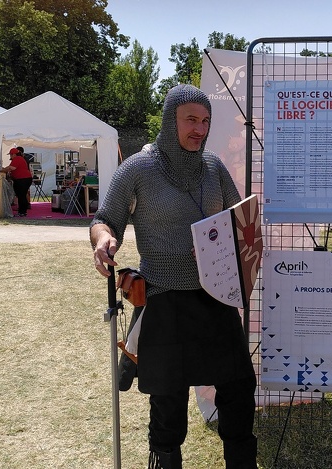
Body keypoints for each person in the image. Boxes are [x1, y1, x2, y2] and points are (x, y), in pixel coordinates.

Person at [90, 84, 257, 469]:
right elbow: (104, 219)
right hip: (164, 298)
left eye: (205, 121)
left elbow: (239, 220)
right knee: (168, 403)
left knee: (238, 389)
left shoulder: (213, 167)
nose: (199, 129)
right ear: (171, 121)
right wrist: (103, 240)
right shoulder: (138, 168)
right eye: (191, 120)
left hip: (214, 296)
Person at [0, 147, 33, 217]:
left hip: (23, 179)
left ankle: (22, 212)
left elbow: (11, 168)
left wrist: (2, 170)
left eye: (11, 154)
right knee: (21, 195)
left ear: (14, 154)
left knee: (21, 195)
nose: (10, 156)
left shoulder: (17, 159)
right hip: (24, 178)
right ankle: (23, 211)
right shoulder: (20, 158)